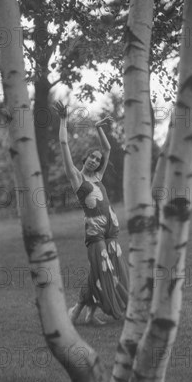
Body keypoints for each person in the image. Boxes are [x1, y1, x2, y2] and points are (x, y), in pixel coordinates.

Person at [54, 101, 128, 325]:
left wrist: (98, 127)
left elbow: (107, 150)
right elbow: (64, 142)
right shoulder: (77, 177)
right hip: (94, 230)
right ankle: (79, 309)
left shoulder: (98, 177)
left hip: (111, 230)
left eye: (97, 160)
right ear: (84, 159)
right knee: (102, 268)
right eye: (92, 158)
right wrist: (64, 119)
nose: (96, 161)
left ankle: (87, 313)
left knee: (102, 269)